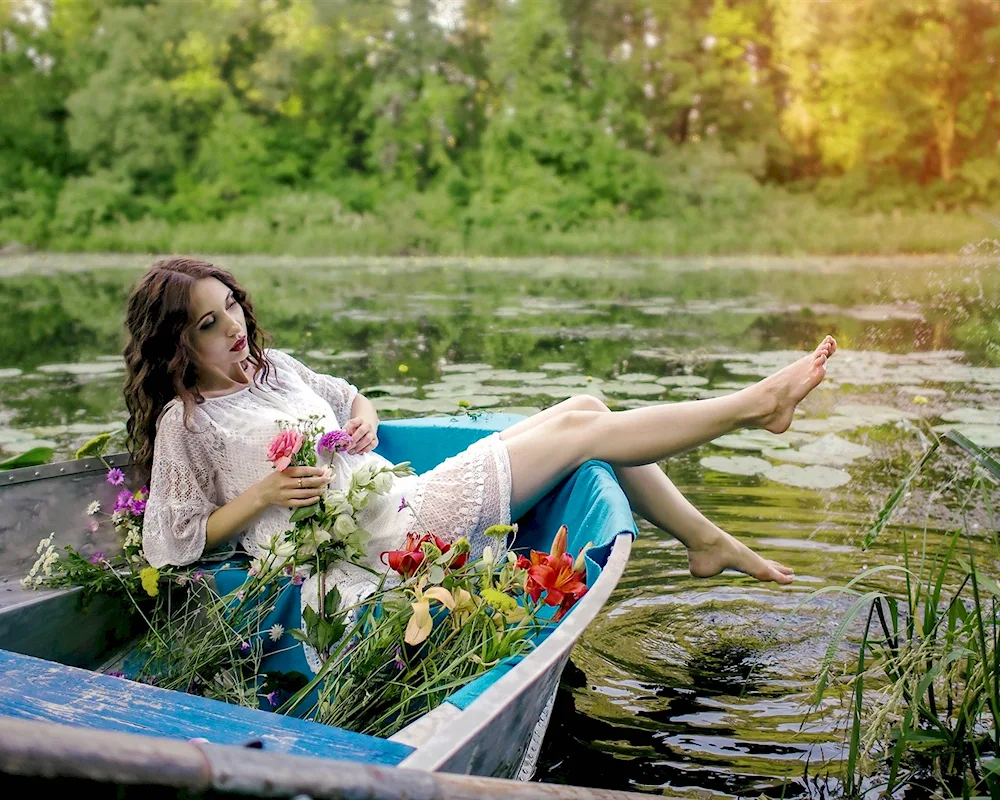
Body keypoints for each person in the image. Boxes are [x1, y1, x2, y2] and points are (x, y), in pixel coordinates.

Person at [127, 257, 837, 652]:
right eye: (209, 322)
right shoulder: (187, 422)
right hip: (381, 542)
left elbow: (348, 398)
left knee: (587, 407)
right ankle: (753, 408)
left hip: (395, 497)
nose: (234, 327)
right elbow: (170, 544)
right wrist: (260, 498)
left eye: (233, 307)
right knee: (585, 429)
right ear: (178, 342)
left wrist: (365, 419)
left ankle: (706, 540)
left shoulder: (276, 368)